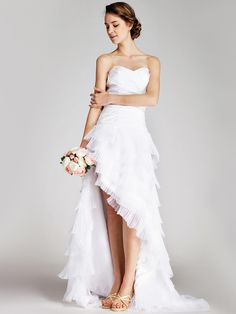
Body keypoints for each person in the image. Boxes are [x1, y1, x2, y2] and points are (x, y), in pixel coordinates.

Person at [58, 2, 211, 312]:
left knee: (132, 212)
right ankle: (116, 281)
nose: (110, 31)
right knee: (111, 215)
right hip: (106, 137)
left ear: (129, 23)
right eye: (106, 26)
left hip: (134, 138)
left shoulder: (151, 61)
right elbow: (95, 106)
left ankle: (129, 284)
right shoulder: (104, 60)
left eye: (115, 24)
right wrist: (82, 148)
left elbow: (150, 99)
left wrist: (111, 97)